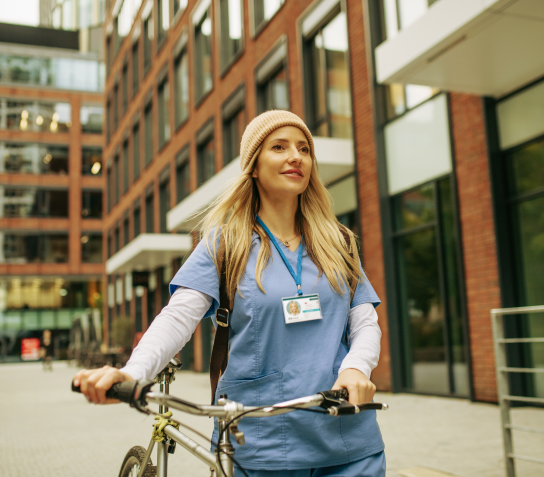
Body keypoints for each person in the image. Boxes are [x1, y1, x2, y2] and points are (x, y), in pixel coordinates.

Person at [73, 110, 385, 476]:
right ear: (253, 166)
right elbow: (178, 317)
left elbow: (365, 322)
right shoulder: (225, 244)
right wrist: (133, 373)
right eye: (279, 147)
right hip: (259, 440)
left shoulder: (340, 242)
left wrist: (354, 369)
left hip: (346, 434)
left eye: (304, 148)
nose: (295, 156)